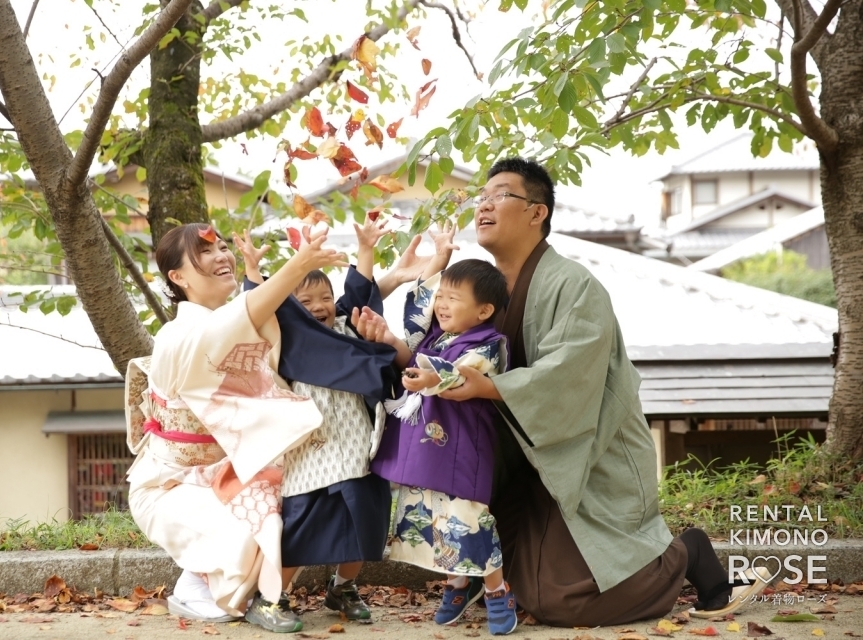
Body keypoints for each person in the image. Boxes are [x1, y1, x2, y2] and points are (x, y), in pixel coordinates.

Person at [355, 158, 770, 627]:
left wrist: (487, 385)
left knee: (563, 602)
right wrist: (390, 343)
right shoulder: (475, 288)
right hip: (505, 463)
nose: (485, 205)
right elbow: (430, 351)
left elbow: (567, 375)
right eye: (482, 196)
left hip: (581, 460)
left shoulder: (573, 285)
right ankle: (482, 576)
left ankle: (686, 552)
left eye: (501, 194)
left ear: (538, 212)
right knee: (515, 580)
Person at [124, 223, 349, 633]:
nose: (222, 256)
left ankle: (222, 583)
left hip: (223, 474)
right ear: (178, 277)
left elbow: (255, 318)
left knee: (307, 491)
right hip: (172, 487)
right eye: (206, 252)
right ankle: (197, 582)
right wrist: (298, 265)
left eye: (222, 247)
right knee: (263, 522)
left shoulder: (224, 320)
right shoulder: (178, 335)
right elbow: (235, 322)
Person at [232, 218, 398, 622]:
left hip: (359, 450)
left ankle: (342, 589)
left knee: (366, 528)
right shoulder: (287, 341)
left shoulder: (346, 330)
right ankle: (270, 599)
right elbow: (264, 309)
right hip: (311, 456)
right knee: (301, 534)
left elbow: (360, 296)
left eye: (325, 297)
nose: (319, 307)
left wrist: (365, 249)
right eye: (305, 303)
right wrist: (253, 272)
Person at [360, 234, 518, 635]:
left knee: (468, 519)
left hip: (463, 447)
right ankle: (457, 584)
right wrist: (388, 339)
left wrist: (429, 376)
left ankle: (498, 591)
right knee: (430, 517)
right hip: (428, 448)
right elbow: (412, 347)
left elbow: (463, 374)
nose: (442, 304)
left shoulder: (491, 344)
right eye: (441, 296)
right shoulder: (436, 337)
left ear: (484, 310)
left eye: (454, 298)